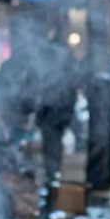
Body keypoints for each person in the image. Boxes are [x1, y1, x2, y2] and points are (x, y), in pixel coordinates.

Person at [34, 24, 81, 186]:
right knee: (54, 139)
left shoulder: (50, 55)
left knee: (51, 139)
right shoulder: (66, 56)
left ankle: (52, 172)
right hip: (60, 106)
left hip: (53, 106)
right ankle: (53, 171)